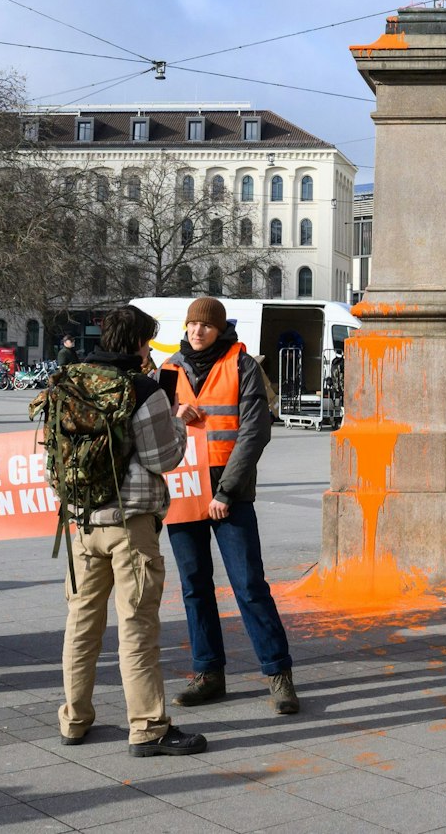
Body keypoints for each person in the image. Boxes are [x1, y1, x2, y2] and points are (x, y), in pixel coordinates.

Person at [53, 305, 206, 757]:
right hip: (129, 525)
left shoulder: (70, 381)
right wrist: (177, 421)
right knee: (136, 626)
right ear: (140, 342)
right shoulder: (142, 389)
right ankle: (148, 727)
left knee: (81, 624)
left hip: (80, 522)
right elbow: (163, 459)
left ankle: (74, 720)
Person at [164, 298, 299, 716]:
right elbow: (147, 425)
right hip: (184, 490)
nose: (196, 331)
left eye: (204, 326)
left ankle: (278, 674)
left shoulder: (243, 365)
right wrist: (172, 411)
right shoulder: (168, 370)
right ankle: (208, 674)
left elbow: (255, 433)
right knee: (194, 587)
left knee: (249, 587)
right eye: (191, 324)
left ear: (219, 330)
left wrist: (225, 491)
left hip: (229, 492)